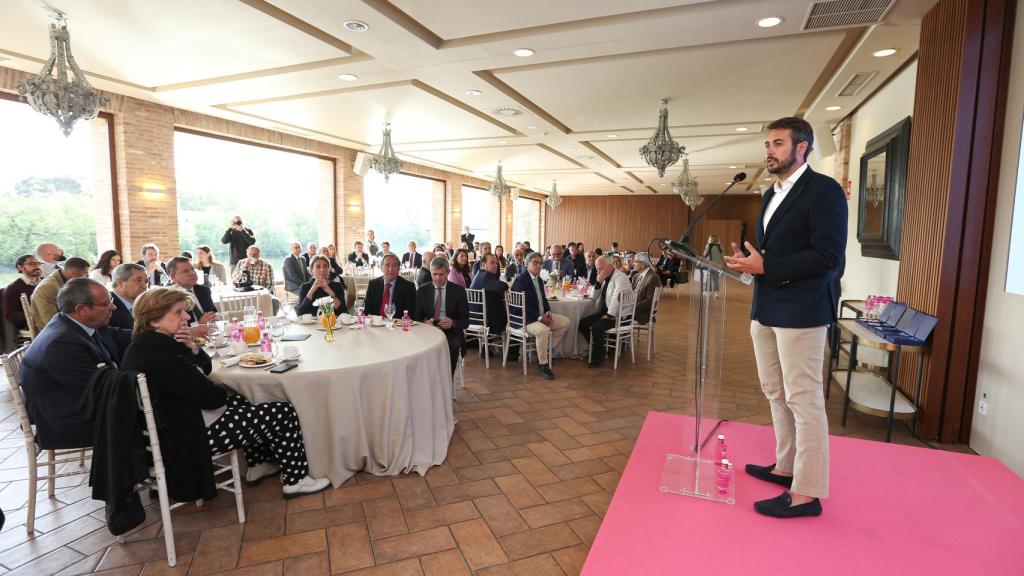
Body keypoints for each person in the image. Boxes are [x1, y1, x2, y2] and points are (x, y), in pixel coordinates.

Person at [723, 116, 847, 519]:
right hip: (767, 307)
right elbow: (770, 254)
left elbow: (828, 258)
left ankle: (807, 493)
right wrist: (751, 265)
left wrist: (767, 266)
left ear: (802, 147)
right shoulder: (768, 194)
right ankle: (786, 466)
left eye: (778, 143)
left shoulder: (823, 191)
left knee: (804, 399)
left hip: (804, 310)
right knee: (775, 391)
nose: (769, 150)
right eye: (768, 144)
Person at [121, 287, 330, 499]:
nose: (186, 317)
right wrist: (218, 389)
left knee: (243, 398)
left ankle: (258, 464)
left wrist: (191, 347)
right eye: (178, 312)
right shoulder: (161, 356)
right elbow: (212, 399)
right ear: (154, 321)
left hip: (172, 427)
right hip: (187, 436)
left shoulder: (146, 346)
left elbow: (207, 370)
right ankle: (296, 480)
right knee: (282, 412)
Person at [20, 278, 131, 449]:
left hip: (78, 402)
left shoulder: (74, 322)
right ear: (81, 309)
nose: (113, 307)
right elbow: (100, 392)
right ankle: (139, 472)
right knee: (162, 412)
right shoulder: (62, 343)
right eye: (106, 303)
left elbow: (120, 336)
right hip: (68, 421)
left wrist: (163, 333)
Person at [510, 252, 571, 380]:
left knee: (565, 322)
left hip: (538, 316)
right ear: (527, 264)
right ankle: (543, 364)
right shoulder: (521, 280)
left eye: (540, 263)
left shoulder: (538, 279)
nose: (538, 266)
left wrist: (547, 313)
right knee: (543, 330)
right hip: (523, 319)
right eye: (535, 263)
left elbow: (543, 299)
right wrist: (539, 318)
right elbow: (522, 305)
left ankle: (547, 352)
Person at [413, 257, 469, 375]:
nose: (437, 278)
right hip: (428, 330)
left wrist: (453, 323)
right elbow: (416, 318)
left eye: (441, 274)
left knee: (451, 346)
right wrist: (424, 322)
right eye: (434, 274)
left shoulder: (458, 291)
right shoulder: (423, 290)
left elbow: (465, 321)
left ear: (448, 273)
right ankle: (425, 379)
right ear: (430, 272)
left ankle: (447, 379)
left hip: (451, 331)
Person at [579, 255, 633, 368]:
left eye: (600, 268)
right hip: (605, 312)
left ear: (609, 266)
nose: (598, 271)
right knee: (582, 324)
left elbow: (616, 298)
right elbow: (593, 297)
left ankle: (598, 355)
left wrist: (609, 315)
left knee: (596, 327)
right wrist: (598, 282)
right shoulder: (605, 276)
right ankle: (600, 349)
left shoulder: (620, 278)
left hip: (617, 315)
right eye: (597, 269)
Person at [31, 257, 90, 328]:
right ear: (73, 273)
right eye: (85, 274)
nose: (87, 277)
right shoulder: (48, 287)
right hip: (53, 331)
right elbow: (51, 321)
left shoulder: (68, 281)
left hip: (69, 323)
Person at [167, 256, 218, 327]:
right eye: (185, 271)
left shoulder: (204, 290)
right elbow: (174, 327)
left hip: (210, 333)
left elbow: (214, 313)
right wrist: (199, 324)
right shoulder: (170, 296)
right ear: (173, 277)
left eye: (192, 269)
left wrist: (215, 317)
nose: (192, 273)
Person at [469, 253, 509, 339]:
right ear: (483, 265)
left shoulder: (480, 274)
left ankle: (491, 346)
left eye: (496, 263)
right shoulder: (485, 276)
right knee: (513, 316)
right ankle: (509, 350)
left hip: (475, 315)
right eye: (492, 263)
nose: (495, 266)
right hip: (483, 320)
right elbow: (502, 286)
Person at [364, 254, 416, 319]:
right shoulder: (373, 284)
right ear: (381, 267)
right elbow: (366, 308)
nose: (391, 269)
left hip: (397, 325)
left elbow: (410, 312)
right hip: (376, 323)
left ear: (399, 268)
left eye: (394, 266)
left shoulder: (408, 287)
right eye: (387, 265)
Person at [2, 255, 42, 332]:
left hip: (48, 318)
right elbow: (10, 315)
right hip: (30, 325)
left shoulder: (45, 282)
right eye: (32, 263)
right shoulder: (13, 288)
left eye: (39, 263)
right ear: (20, 267)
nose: (37, 266)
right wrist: (34, 315)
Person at [108, 263, 149, 330]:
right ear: (120, 283)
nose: (144, 286)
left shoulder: (145, 304)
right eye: (138, 280)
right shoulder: (108, 307)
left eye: (146, 281)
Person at [631, 252, 662, 324]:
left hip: (643, 313)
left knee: (615, 317)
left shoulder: (653, 277)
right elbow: (631, 293)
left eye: (635, 262)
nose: (633, 263)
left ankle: (622, 334)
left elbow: (650, 301)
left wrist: (632, 307)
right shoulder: (636, 276)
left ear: (643, 264)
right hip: (633, 308)